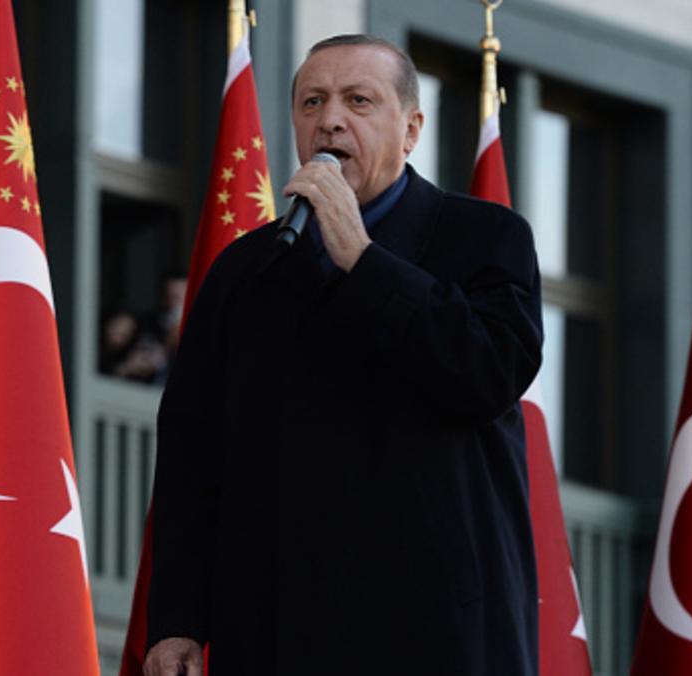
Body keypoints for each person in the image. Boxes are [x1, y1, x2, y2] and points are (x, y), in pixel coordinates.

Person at [143, 34, 542, 676]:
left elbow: (488, 372)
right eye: (311, 102)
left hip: (433, 630)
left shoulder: (485, 238)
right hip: (276, 628)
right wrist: (178, 621)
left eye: (358, 100)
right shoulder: (246, 271)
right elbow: (194, 454)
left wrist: (363, 261)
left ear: (411, 129)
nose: (330, 119)